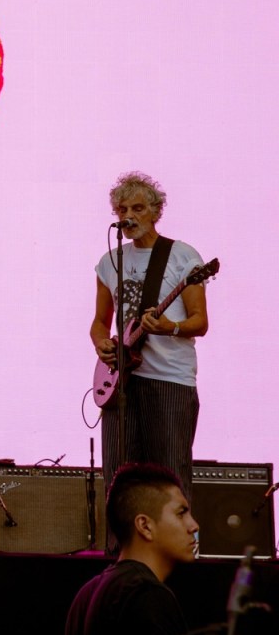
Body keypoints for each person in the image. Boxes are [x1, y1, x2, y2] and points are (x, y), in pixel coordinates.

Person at [90, 172, 208, 514]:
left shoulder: (182, 256)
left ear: (155, 212)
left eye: (138, 208)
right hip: (122, 381)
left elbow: (200, 322)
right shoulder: (110, 261)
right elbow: (99, 321)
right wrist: (102, 343)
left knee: (170, 474)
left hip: (170, 378)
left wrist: (169, 327)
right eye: (122, 209)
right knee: (118, 476)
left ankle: (181, 558)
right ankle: (120, 557)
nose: (129, 216)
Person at [64, 463, 199, 635]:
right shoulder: (148, 594)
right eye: (181, 513)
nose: (194, 526)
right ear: (145, 526)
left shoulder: (85, 595)